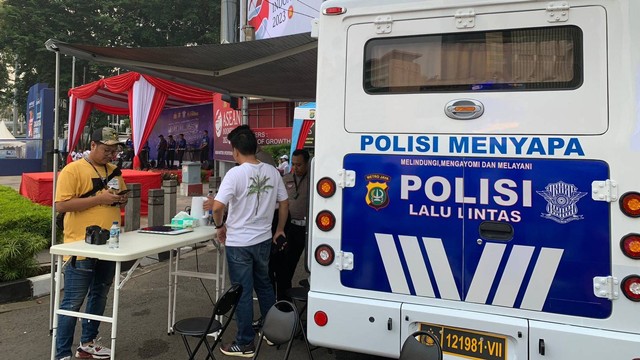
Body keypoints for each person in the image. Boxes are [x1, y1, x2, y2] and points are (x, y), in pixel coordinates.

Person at [206, 125, 288, 357]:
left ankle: (245, 343)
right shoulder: (272, 171)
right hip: (263, 239)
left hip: (240, 243)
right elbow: (284, 203)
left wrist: (220, 226)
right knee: (264, 285)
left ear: (235, 151)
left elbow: (218, 207)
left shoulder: (235, 173)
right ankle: (272, 333)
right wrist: (279, 229)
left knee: (242, 291)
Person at [54, 127, 128, 360]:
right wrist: (100, 199)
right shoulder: (73, 170)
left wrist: (120, 199)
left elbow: (120, 199)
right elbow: (62, 205)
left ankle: (88, 343)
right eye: (107, 150)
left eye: (114, 151)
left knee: (100, 294)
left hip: (110, 245)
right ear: (93, 145)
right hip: (80, 248)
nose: (111, 155)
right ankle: (63, 353)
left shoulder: (115, 171)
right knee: (72, 302)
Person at [272, 149, 311, 301]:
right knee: (284, 268)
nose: (296, 168)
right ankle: (283, 302)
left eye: (299, 164)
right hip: (290, 227)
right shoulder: (286, 178)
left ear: (308, 163)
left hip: (308, 229)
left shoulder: (315, 180)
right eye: (293, 164)